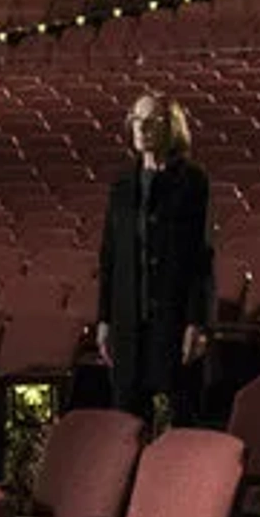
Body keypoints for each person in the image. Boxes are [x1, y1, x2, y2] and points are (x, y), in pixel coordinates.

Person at [96, 90, 214, 423]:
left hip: (172, 319)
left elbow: (200, 259)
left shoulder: (192, 182)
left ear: (171, 127)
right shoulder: (121, 185)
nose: (141, 128)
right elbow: (109, 257)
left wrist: (197, 321)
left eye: (150, 121)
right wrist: (104, 319)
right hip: (128, 321)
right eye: (136, 120)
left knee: (177, 416)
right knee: (127, 420)